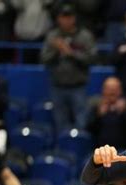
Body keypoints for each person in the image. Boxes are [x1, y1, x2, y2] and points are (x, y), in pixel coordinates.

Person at [40, 3, 97, 131]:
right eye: (63, 17)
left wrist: (71, 53)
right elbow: (44, 59)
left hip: (78, 87)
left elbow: (92, 58)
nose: (66, 20)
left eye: (69, 17)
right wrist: (56, 51)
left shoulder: (84, 36)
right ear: (58, 19)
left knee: (81, 123)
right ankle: (62, 150)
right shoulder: (52, 36)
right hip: (58, 86)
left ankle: (79, 149)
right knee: (60, 125)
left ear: (74, 18)